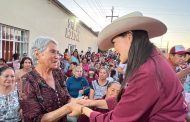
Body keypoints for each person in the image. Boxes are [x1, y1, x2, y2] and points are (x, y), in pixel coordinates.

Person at [67, 11, 187, 121]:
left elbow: (115, 120)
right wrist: (92, 103)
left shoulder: (147, 71)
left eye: (114, 42)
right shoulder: (152, 61)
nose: (114, 48)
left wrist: (83, 110)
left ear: (129, 37)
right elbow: (128, 100)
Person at [19, 36, 73, 122]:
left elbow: (67, 98)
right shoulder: (27, 81)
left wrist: (81, 102)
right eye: (52, 52)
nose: (57, 57)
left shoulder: (58, 73)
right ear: (37, 54)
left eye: (57, 53)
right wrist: (68, 108)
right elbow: (35, 119)